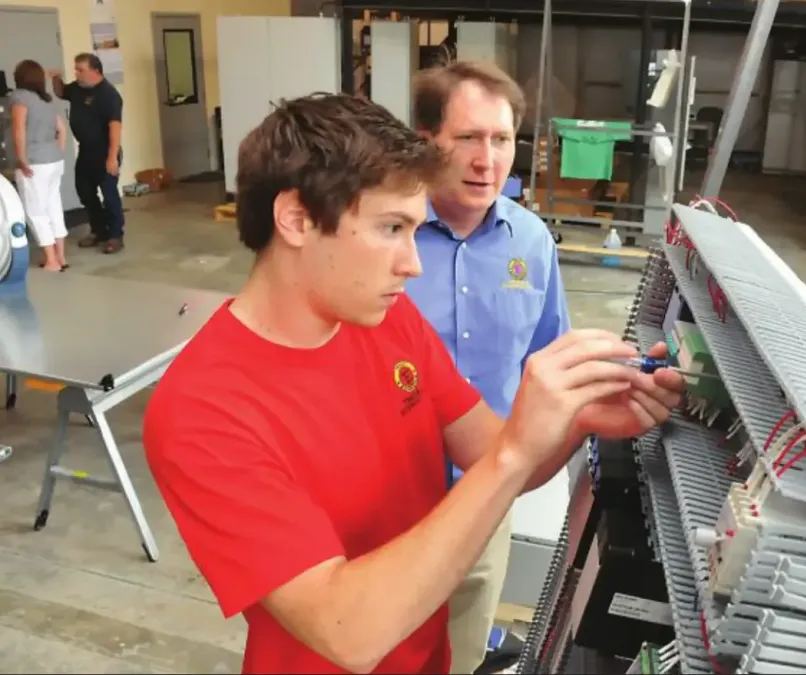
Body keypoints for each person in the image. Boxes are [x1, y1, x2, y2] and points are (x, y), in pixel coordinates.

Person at [142, 93, 684, 675]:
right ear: (296, 219)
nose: (413, 263)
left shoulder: (386, 320)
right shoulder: (202, 411)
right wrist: (515, 450)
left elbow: (488, 453)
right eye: (391, 229)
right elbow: (347, 633)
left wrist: (578, 418)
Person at [405, 60, 570, 674]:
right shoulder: (382, 234)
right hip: (382, 497)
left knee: (463, 643)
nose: (488, 160)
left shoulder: (531, 243)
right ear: (427, 141)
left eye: (502, 140)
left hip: (481, 494)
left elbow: (547, 359)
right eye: (469, 138)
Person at [49, 53, 125, 254]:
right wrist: (55, 79)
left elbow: (115, 127)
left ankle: (116, 235)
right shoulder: (77, 88)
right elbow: (61, 92)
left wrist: (112, 157)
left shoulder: (109, 95)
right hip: (86, 151)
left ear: (95, 71)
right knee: (85, 191)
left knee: (109, 195)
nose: (77, 73)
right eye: (76, 69)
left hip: (106, 150)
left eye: (80, 69)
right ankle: (98, 230)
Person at [10, 59, 69, 272]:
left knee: (36, 210)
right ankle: (61, 256)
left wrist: (22, 158)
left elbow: (19, 129)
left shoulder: (19, 98)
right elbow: (62, 130)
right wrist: (58, 151)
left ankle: (51, 260)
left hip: (35, 162)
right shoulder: (46, 100)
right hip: (54, 160)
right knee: (53, 206)